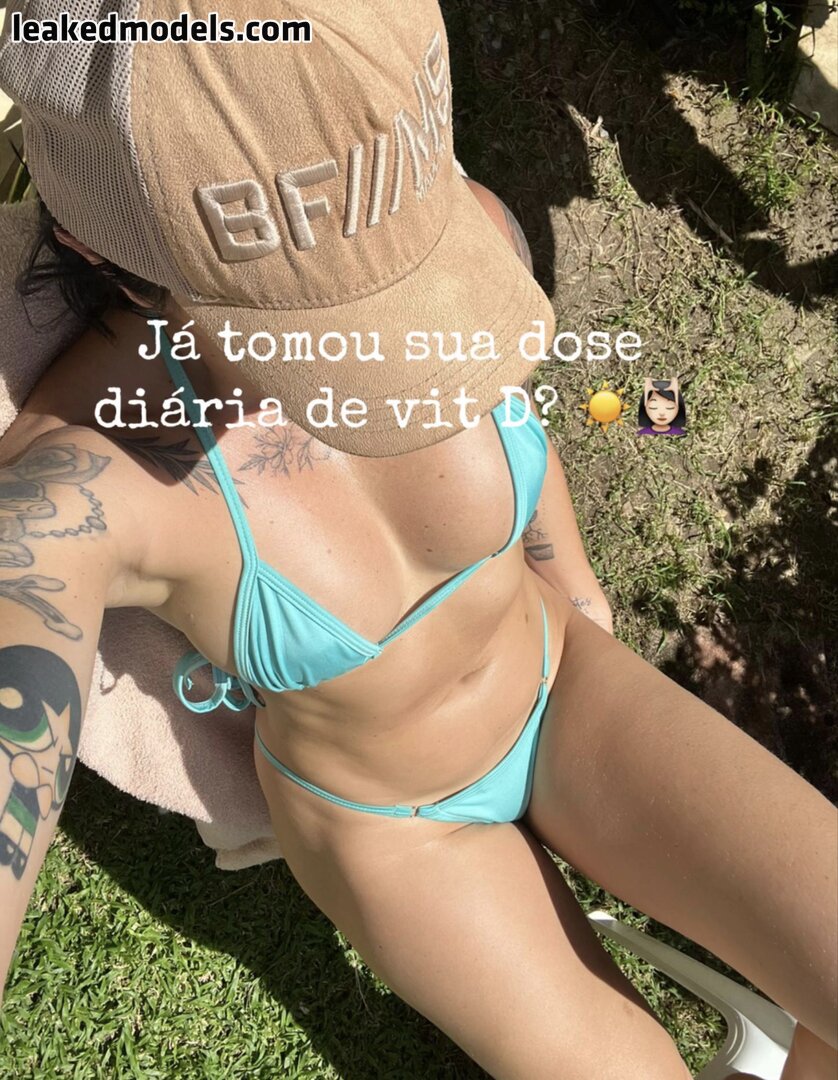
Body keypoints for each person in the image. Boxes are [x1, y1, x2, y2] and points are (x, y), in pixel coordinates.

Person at [0, 4, 836, 1079]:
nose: (390, 343)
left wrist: (573, 583)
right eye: (305, 317)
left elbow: (514, 411)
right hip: (397, 829)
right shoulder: (83, 479)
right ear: (98, 250)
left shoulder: (458, 231)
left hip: (563, 681)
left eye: (399, 279)